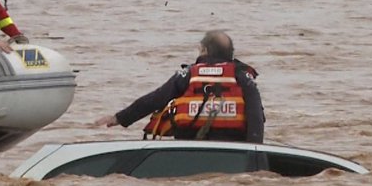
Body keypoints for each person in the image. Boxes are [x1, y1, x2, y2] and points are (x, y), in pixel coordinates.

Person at [93, 30, 264, 143]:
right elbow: (255, 115)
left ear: (204, 50)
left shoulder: (188, 74)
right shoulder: (243, 77)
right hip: (233, 145)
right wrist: (255, 149)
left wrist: (119, 118)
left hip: (189, 145)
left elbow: (156, 99)